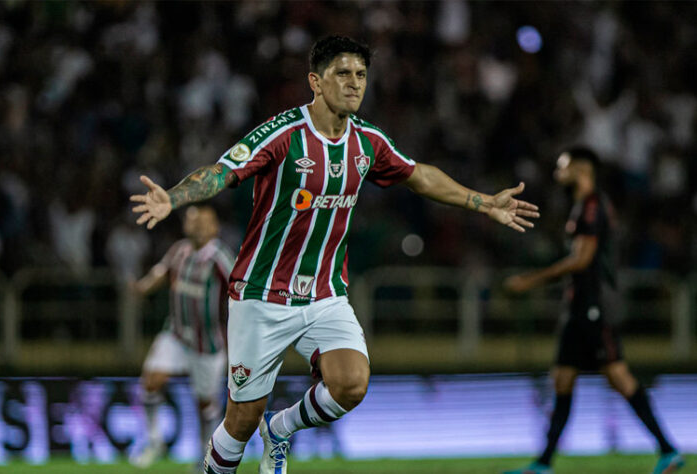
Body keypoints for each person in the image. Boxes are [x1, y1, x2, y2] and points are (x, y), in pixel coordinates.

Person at [130, 35, 540, 474]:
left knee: (351, 384)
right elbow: (221, 171)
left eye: (361, 75)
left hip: (325, 295)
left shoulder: (367, 142)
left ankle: (281, 428)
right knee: (238, 422)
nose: (354, 83)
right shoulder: (283, 133)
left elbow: (419, 176)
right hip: (261, 296)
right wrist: (173, 199)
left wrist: (483, 202)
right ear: (316, 81)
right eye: (342, 73)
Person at [503, 147, 684, 474]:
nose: (558, 172)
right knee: (562, 378)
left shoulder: (591, 205)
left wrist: (530, 282)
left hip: (593, 306)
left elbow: (582, 260)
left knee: (617, 376)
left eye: (562, 166)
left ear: (580, 168)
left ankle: (669, 449)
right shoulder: (586, 205)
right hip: (580, 307)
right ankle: (543, 464)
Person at [129, 205, 235, 469]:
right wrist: (142, 287)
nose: (197, 225)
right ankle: (154, 441)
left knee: (205, 405)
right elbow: (161, 272)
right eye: (192, 221)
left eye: (203, 221)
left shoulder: (220, 257)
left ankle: (206, 455)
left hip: (207, 340)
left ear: (215, 227)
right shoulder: (179, 250)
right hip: (175, 332)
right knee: (151, 382)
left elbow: (239, 289)